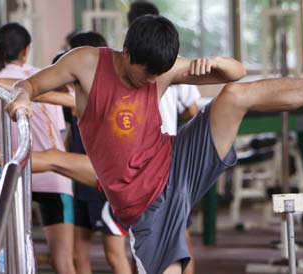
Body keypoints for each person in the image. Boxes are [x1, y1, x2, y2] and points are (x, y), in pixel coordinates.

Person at [7, 15, 303, 274]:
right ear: (127, 54)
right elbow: (32, 84)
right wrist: (22, 99)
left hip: (176, 159)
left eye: (160, 74)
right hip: (146, 208)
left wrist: (216, 63)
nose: (155, 80)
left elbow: (237, 74)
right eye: (148, 74)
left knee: (234, 95)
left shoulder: (163, 68)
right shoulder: (86, 63)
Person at [0, 23, 76, 274]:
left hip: (11, 175)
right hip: (54, 176)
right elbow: (59, 129)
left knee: (5, 254)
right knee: (63, 261)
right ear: (26, 51)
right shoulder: (44, 78)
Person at [127, 3, 201, 274]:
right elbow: (193, 111)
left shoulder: (126, 62)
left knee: (140, 239)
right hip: (167, 159)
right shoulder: (174, 60)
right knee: (179, 233)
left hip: (137, 163)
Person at [66, 31, 133, 274]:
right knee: (77, 254)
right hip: (81, 183)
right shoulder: (75, 89)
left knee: (114, 254)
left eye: (73, 56)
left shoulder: (110, 92)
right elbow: (70, 136)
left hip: (106, 185)